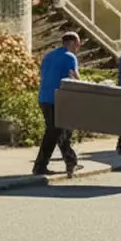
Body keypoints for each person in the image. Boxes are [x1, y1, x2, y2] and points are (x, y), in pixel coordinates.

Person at [33, 32, 83, 177]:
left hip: (44, 97)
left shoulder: (49, 55)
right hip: (58, 99)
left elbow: (43, 74)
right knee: (57, 132)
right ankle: (41, 166)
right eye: (78, 43)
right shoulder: (69, 56)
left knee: (56, 131)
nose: (79, 46)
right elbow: (75, 77)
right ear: (71, 43)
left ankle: (70, 161)